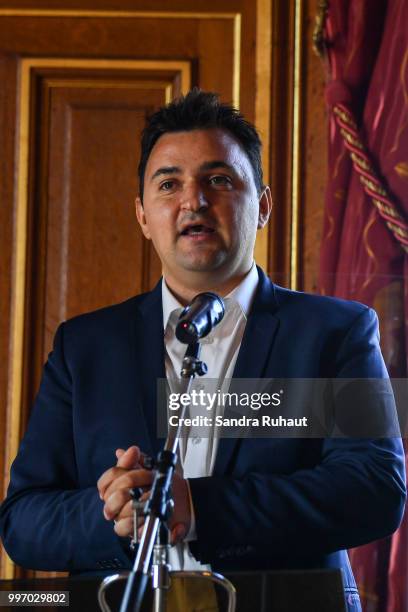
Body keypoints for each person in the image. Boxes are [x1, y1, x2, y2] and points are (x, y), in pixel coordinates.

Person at [0, 90, 405, 612]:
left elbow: (375, 488)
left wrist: (200, 508)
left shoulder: (336, 331)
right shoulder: (85, 347)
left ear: (261, 206)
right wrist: (115, 513)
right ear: (143, 215)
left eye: (218, 180)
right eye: (169, 184)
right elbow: (24, 519)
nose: (193, 200)